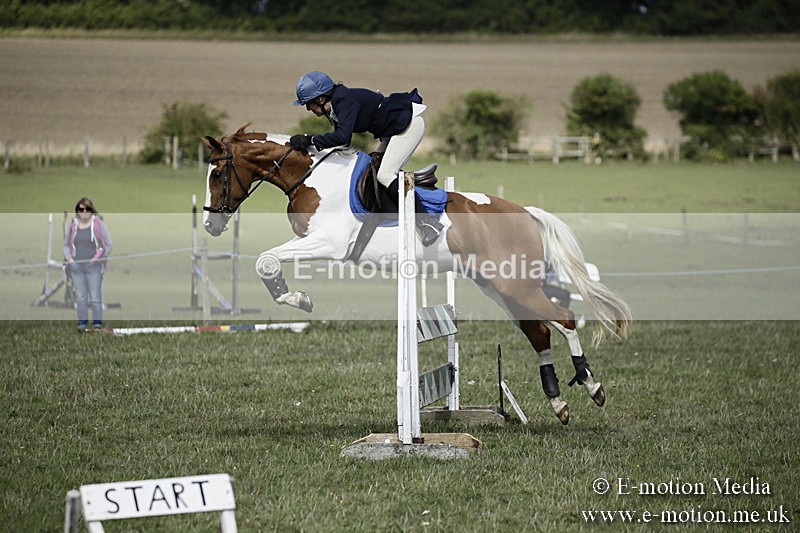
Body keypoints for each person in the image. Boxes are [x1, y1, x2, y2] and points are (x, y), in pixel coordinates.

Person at [289, 71, 444, 246]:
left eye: (308, 104)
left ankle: (428, 222)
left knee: (385, 175)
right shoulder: (337, 105)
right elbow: (341, 145)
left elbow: (342, 138)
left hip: (408, 127)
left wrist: (309, 139)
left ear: (320, 98)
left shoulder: (344, 101)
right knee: (372, 168)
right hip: (393, 132)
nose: (308, 109)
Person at [63, 197, 112, 331]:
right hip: (76, 266)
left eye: (87, 209)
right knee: (80, 297)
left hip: (93, 267)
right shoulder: (73, 225)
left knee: (95, 297)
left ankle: (97, 325)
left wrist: (96, 259)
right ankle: (82, 324)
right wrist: (69, 259)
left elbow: (107, 244)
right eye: (81, 209)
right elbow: (66, 244)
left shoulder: (98, 224)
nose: (84, 211)